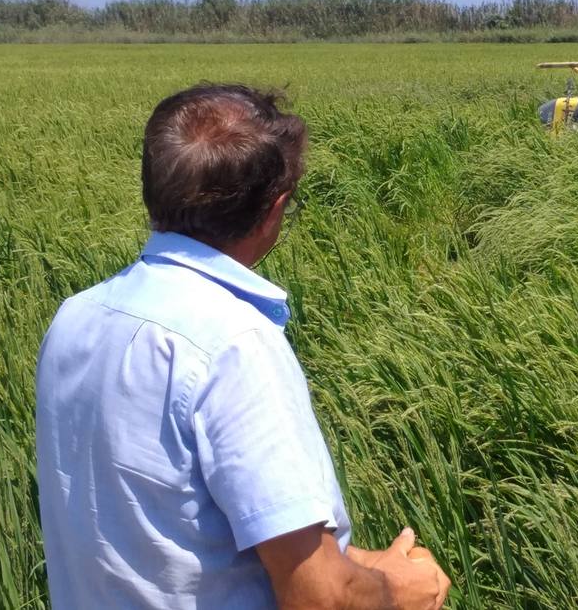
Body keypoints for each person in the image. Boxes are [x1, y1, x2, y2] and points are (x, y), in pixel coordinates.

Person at [35, 84, 450, 609]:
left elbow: (166, 534)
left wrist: (358, 563)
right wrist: (396, 589)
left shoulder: (77, 315)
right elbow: (318, 598)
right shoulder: (233, 344)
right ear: (273, 210)